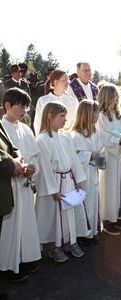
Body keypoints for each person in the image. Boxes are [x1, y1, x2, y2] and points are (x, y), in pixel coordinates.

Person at [35, 102, 89, 263]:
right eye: (62, 116)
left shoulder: (65, 137)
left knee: (69, 214)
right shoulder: (42, 140)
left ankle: (70, 241)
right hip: (55, 183)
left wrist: (78, 179)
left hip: (68, 181)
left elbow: (73, 159)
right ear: (50, 116)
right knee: (54, 216)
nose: (65, 120)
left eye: (65, 116)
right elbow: (44, 167)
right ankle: (54, 246)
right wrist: (53, 190)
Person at [0, 88, 41, 281]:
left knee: (25, 223)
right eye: (20, 105)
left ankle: (26, 258)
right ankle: (8, 265)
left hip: (24, 183)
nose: (24, 110)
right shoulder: (2, 128)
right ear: (7, 105)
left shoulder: (25, 129)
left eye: (26, 106)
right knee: (11, 226)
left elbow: (33, 155)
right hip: (9, 186)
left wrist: (32, 168)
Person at [97, 84, 121, 234]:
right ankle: (107, 219)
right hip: (107, 154)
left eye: (116, 97)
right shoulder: (100, 115)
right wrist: (120, 138)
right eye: (113, 97)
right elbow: (103, 135)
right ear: (106, 97)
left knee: (119, 185)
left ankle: (119, 214)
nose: (116, 99)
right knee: (108, 186)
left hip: (119, 153)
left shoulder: (119, 113)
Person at [71, 100, 104, 244]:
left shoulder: (94, 132)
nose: (98, 115)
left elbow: (99, 151)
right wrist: (90, 155)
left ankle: (92, 231)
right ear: (87, 114)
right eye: (95, 112)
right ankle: (82, 234)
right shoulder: (76, 135)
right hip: (83, 175)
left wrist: (99, 159)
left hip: (92, 171)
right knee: (84, 203)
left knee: (93, 201)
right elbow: (75, 156)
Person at [34, 69, 78, 135]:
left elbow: (75, 122)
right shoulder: (43, 100)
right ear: (56, 82)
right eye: (64, 80)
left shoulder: (73, 101)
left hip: (67, 138)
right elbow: (38, 122)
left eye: (68, 80)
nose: (68, 83)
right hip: (48, 138)